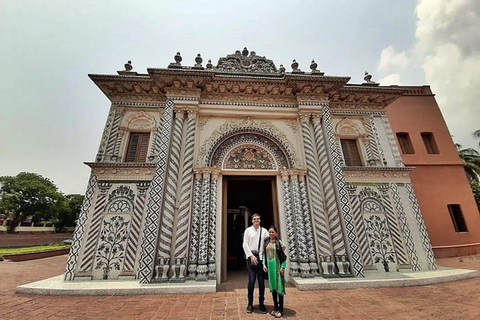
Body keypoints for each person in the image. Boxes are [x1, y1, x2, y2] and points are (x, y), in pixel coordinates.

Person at [242, 213, 268, 314]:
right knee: (252, 281)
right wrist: (250, 256)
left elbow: (269, 241)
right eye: (254, 219)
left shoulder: (264, 231)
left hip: (260, 258)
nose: (256, 220)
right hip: (251, 258)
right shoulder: (248, 231)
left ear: (260, 220)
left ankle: (261, 303)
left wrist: (280, 245)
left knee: (261, 283)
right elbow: (245, 243)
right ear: (252, 220)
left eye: (257, 219)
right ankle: (250, 303)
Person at [263, 226, 287, 318]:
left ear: (276, 233)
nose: (271, 234)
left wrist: (283, 268)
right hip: (270, 269)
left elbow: (283, 257)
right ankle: (275, 307)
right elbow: (264, 254)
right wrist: (264, 264)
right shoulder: (267, 242)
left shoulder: (279, 243)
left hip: (277, 269)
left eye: (273, 232)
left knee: (279, 289)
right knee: (273, 289)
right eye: (270, 232)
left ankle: (281, 310)